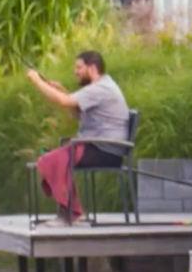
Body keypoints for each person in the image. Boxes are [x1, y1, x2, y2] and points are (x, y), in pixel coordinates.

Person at [26, 50, 132, 223]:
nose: (75, 71)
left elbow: (63, 101)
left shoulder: (100, 88)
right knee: (52, 157)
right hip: (98, 147)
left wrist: (37, 81)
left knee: (55, 159)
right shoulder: (101, 86)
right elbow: (75, 110)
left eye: (79, 67)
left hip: (105, 151)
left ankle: (69, 215)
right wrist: (60, 90)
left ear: (92, 68)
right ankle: (72, 212)